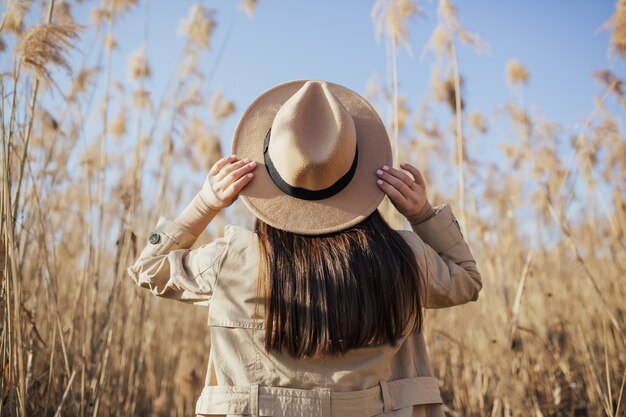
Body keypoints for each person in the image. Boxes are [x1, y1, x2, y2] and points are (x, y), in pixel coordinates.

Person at [127, 80, 482, 417]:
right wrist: (422, 215)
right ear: (358, 174)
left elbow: (149, 269)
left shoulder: (232, 259)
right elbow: (467, 280)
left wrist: (205, 203)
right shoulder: (401, 257)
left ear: (269, 171)